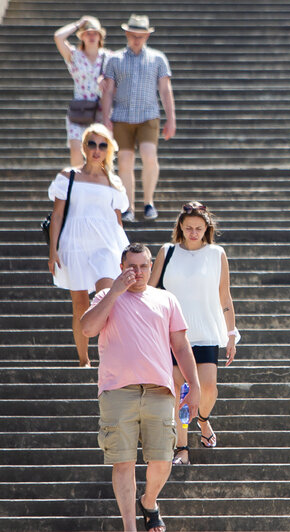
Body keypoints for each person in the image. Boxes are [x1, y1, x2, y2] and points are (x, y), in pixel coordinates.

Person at [80, 242, 201, 532]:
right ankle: (129, 528)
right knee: (123, 462)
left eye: (143, 266)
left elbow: (181, 346)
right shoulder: (105, 296)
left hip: (159, 390)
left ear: (151, 267)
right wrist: (115, 292)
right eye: (131, 266)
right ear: (121, 268)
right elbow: (87, 328)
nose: (138, 271)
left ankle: (148, 502)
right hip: (117, 391)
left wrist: (194, 385)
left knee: (162, 460)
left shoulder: (166, 299)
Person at [149, 201, 239, 465]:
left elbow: (225, 295)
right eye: (188, 227)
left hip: (207, 332)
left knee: (208, 388)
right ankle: (182, 448)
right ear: (180, 226)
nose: (193, 232)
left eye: (199, 228)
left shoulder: (216, 254)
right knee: (181, 391)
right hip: (175, 333)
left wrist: (231, 333)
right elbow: (151, 291)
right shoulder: (167, 252)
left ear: (206, 227)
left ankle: (203, 420)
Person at [47, 123, 129, 367]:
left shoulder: (114, 182)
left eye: (102, 145)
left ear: (108, 150)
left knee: (107, 298)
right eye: (92, 144)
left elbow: (118, 222)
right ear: (83, 146)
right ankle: (84, 360)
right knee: (80, 305)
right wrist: (52, 250)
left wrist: (124, 256)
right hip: (74, 244)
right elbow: (58, 215)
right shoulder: (67, 176)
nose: (97, 149)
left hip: (105, 246)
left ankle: (110, 357)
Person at [100, 14, 176, 223]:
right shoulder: (114, 59)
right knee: (124, 161)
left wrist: (171, 119)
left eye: (140, 36)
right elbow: (108, 91)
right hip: (122, 115)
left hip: (148, 114)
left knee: (149, 155)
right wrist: (106, 118)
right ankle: (129, 206)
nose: (136, 39)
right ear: (127, 34)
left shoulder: (157, 58)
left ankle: (149, 202)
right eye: (133, 35)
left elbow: (165, 89)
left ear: (147, 36)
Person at [54, 16, 109, 167]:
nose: (91, 37)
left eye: (95, 33)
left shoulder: (109, 57)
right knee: (76, 150)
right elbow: (58, 37)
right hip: (79, 111)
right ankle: (77, 186)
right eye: (87, 33)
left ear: (100, 36)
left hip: (99, 111)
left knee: (98, 154)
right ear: (82, 36)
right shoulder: (75, 56)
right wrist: (78, 24)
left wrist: (105, 80)